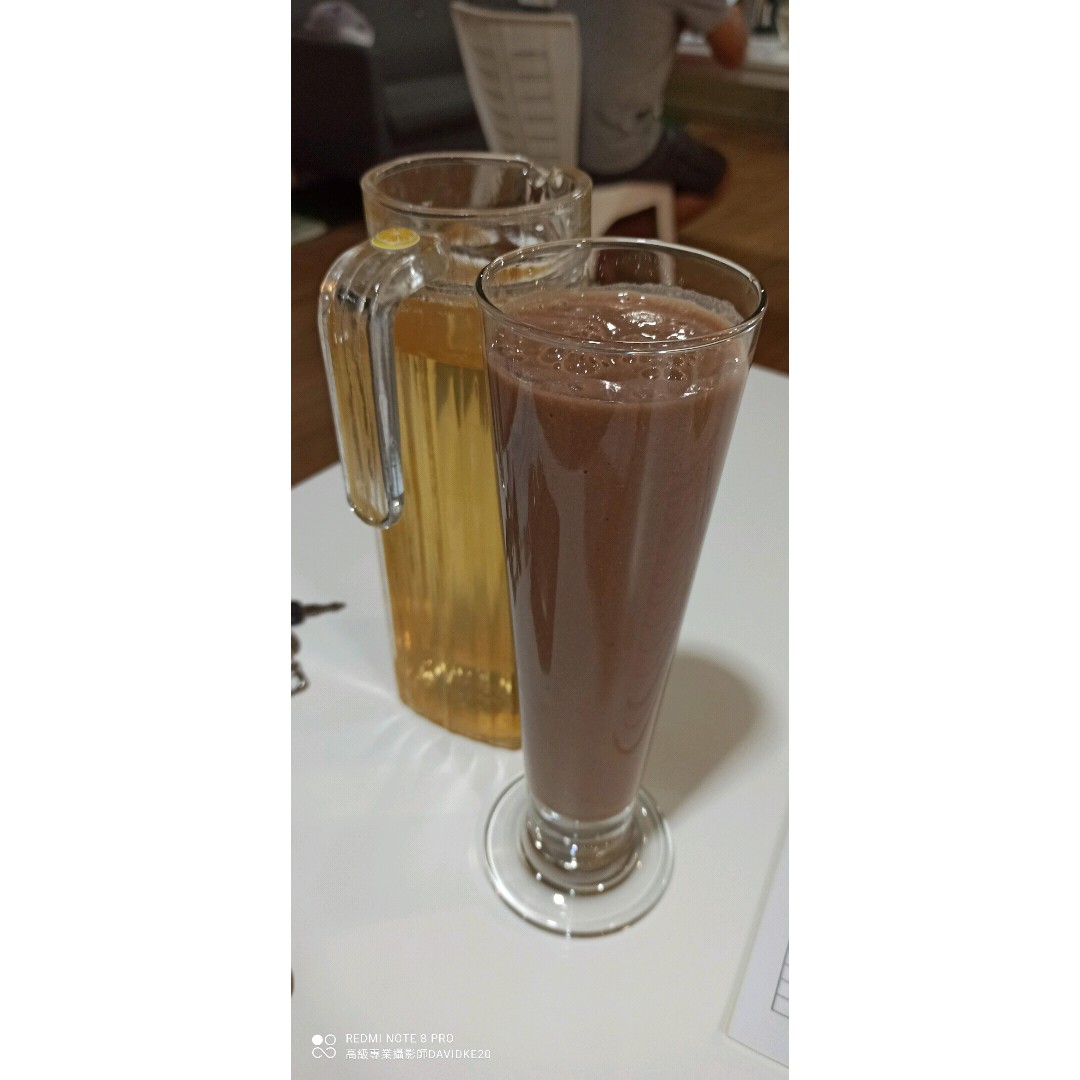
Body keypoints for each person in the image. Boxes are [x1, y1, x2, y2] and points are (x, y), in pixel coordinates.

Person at [557, 0, 749, 226]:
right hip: (613, 150)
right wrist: (732, 11)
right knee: (714, 175)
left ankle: (589, 230)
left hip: (544, 147)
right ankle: (612, 238)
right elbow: (733, 54)